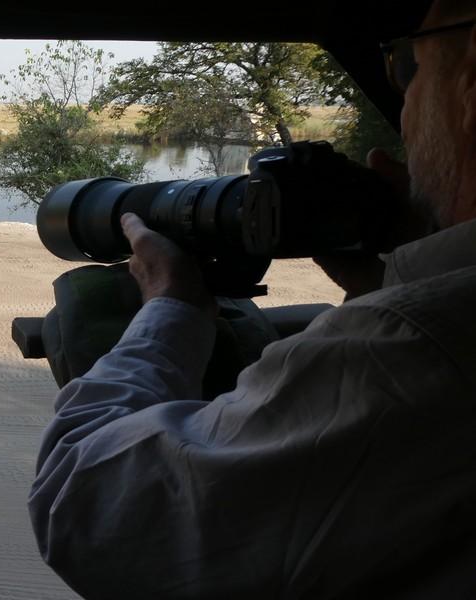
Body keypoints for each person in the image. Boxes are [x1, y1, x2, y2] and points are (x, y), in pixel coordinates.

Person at [28, 1, 476, 598]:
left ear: (469, 89)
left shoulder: (412, 344)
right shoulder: (428, 315)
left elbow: (88, 511)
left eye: (409, 70)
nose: (406, 102)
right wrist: (394, 272)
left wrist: (170, 307)